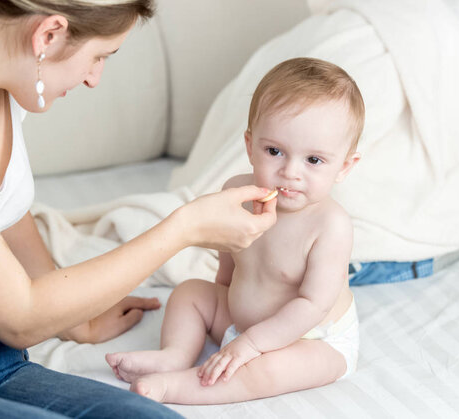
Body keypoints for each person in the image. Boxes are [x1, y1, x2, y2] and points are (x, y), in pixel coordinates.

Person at [0, 1, 277, 417]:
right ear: (47, 36)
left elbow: (7, 218)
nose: (93, 78)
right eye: (99, 56)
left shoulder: (4, 91)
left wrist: (76, 321)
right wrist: (184, 229)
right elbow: (19, 316)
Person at [106, 57, 365, 404]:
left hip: (312, 339)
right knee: (188, 293)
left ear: (345, 167)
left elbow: (313, 305)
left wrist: (253, 344)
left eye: (313, 160)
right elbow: (227, 263)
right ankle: (176, 354)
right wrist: (222, 307)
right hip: (241, 323)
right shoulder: (237, 193)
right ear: (249, 145)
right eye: (274, 151)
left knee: (267, 370)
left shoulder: (330, 226)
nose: (290, 171)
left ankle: (175, 387)